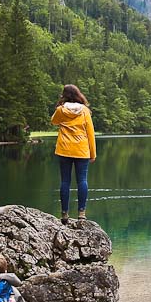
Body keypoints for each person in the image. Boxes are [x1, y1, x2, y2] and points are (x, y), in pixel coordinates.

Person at [51, 84, 96, 222]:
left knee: (65, 181)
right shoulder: (85, 111)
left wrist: (60, 106)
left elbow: (53, 121)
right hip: (81, 150)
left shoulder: (60, 110)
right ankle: (81, 213)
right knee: (82, 180)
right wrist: (92, 153)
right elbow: (90, 133)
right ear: (78, 94)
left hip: (64, 149)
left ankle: (64, 214)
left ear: (64, 95)